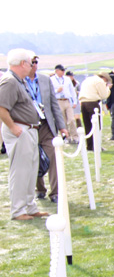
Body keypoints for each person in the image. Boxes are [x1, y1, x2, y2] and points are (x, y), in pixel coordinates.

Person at [0, 48, 48, 220]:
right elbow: (2, 107)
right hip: (20, 130)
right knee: (20, 171)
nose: (32, 66)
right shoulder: (9, 81)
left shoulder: (19, 81)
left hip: (29, 129)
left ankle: (29, 206)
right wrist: (13, 127)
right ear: (22, 63)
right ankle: (18, 210)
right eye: (30, 63)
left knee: (30, 170)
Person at [25, 56, 68, 203]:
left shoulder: (44, 80)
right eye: (31, 62)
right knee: (34, 157)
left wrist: (62, 126)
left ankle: (55, 192)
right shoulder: (19, 81)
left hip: (46, 125)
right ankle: (40, 189)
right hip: (29, 125)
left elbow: (53, 104)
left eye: (36, 62)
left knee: (52, 158)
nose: (34, 65)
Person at [78, 71, 110, 151]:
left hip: (83, 103)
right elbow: (104, 95)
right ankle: (96, 146)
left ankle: (89, 145)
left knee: (88, 126)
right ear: (105, 78)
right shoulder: (100, 81)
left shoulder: (87, 80)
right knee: (96, 126)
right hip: (92, 103)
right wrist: (108, 88)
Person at [51, 64, 79, 139]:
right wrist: (57, 91)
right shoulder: (52, 79)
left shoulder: (67, 79)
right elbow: (50, 91)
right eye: (62, 70)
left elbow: (72, 90)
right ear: (57, 71)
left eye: (64, 70)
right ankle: (66, 137)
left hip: (67, 100)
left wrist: (75, 101)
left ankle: (75, 136)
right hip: (58, 101)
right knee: (62, 120)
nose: (63, 72)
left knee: (71, 119)